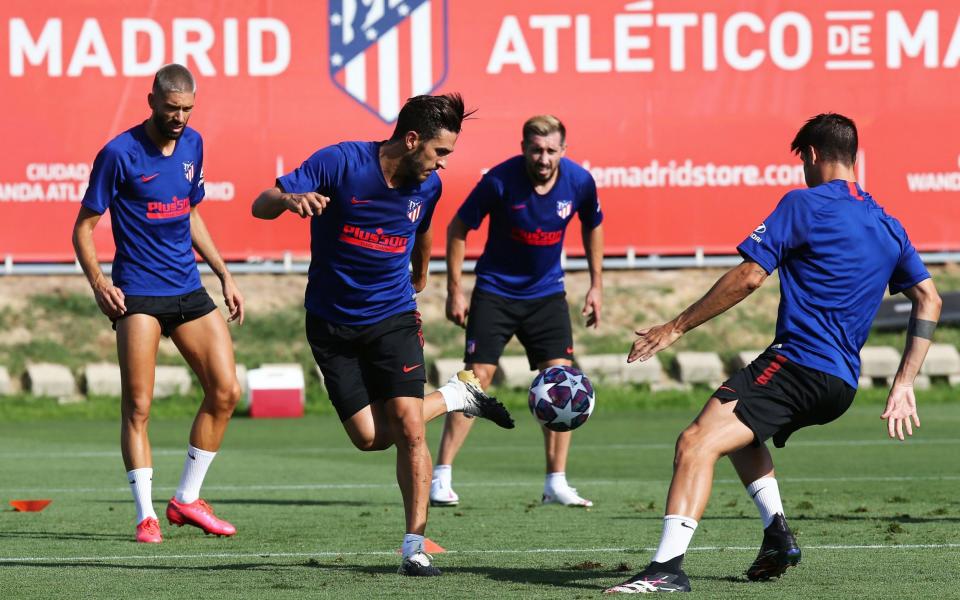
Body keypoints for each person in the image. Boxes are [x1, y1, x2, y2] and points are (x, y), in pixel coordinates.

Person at [604, 113, 941, 593]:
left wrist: (675, 326)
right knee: (741, 430)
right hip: (840, 384)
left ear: (811, 156)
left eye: (802, 162)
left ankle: (666, 569)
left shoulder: (804, 204)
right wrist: (905, 381)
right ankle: (777, 534)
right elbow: (930, 299)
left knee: (694, 442)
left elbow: (749, 276)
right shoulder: (889, 224)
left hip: (798, 363)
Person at [251, 93, 514, 577]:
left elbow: (425, 229)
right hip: (329, 323)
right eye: (439, 152)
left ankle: (414, 547)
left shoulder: (427, 187)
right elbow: (259, 205)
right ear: (411, 140)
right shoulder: (339, 162)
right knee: (371, 438)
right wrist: (290, 200)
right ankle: (457, 393)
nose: (441, 165)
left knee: (410, 429)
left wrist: (421, 272)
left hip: (392, 316)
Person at [72, 64, 244, 544]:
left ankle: (186, 500)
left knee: (227, 391)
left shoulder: (194, 144)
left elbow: (190, 212)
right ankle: (146, 515)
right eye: (172, 108)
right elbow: (83, 228)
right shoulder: (118, 153)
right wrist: (98, 283)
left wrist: (224, 274)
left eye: (188, 109)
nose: (180, 118)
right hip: (139, 294)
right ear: (152, 101)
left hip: (187, 288)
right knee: (139, 406)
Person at [430, 115, 604, 509]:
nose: (543, 158)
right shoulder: (499, 181)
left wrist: (597, 284)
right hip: (495, 292)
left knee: (562, 381)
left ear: (564, 150)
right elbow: (457, 229)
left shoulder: (579, 182)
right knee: (477, 379)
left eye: (551, 150)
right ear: (523, 147)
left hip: (547, 296)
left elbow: (593, 225)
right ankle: (441, 476)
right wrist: (455, 290)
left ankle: (556, 481)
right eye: (536, 149)